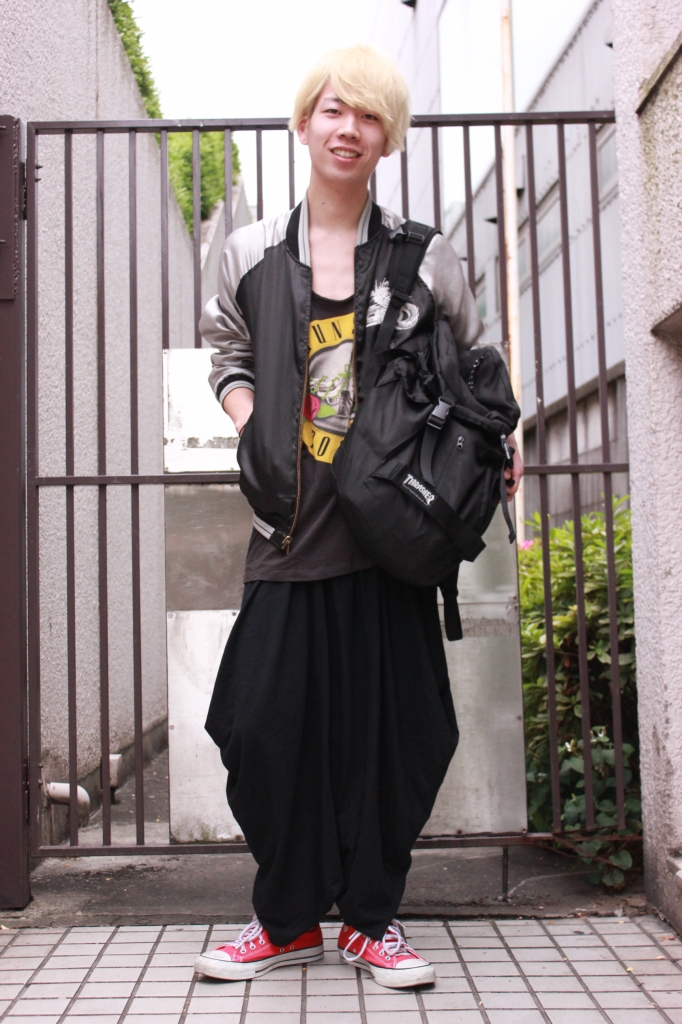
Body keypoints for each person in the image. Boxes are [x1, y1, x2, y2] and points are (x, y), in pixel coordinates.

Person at [195, 44, 524, 988]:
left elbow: (478, 361)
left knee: (398, 733)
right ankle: (288, 919)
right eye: (335, 110)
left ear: (389, 137)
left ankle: (372, 920)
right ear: (306, 123)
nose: (349, 129)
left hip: (393, 533)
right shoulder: (251, 250)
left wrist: (496, 451)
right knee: (259, 726)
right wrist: (257, 427)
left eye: (370, 115)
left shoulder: (424, 254)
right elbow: (226, 351)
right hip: (291, 527)